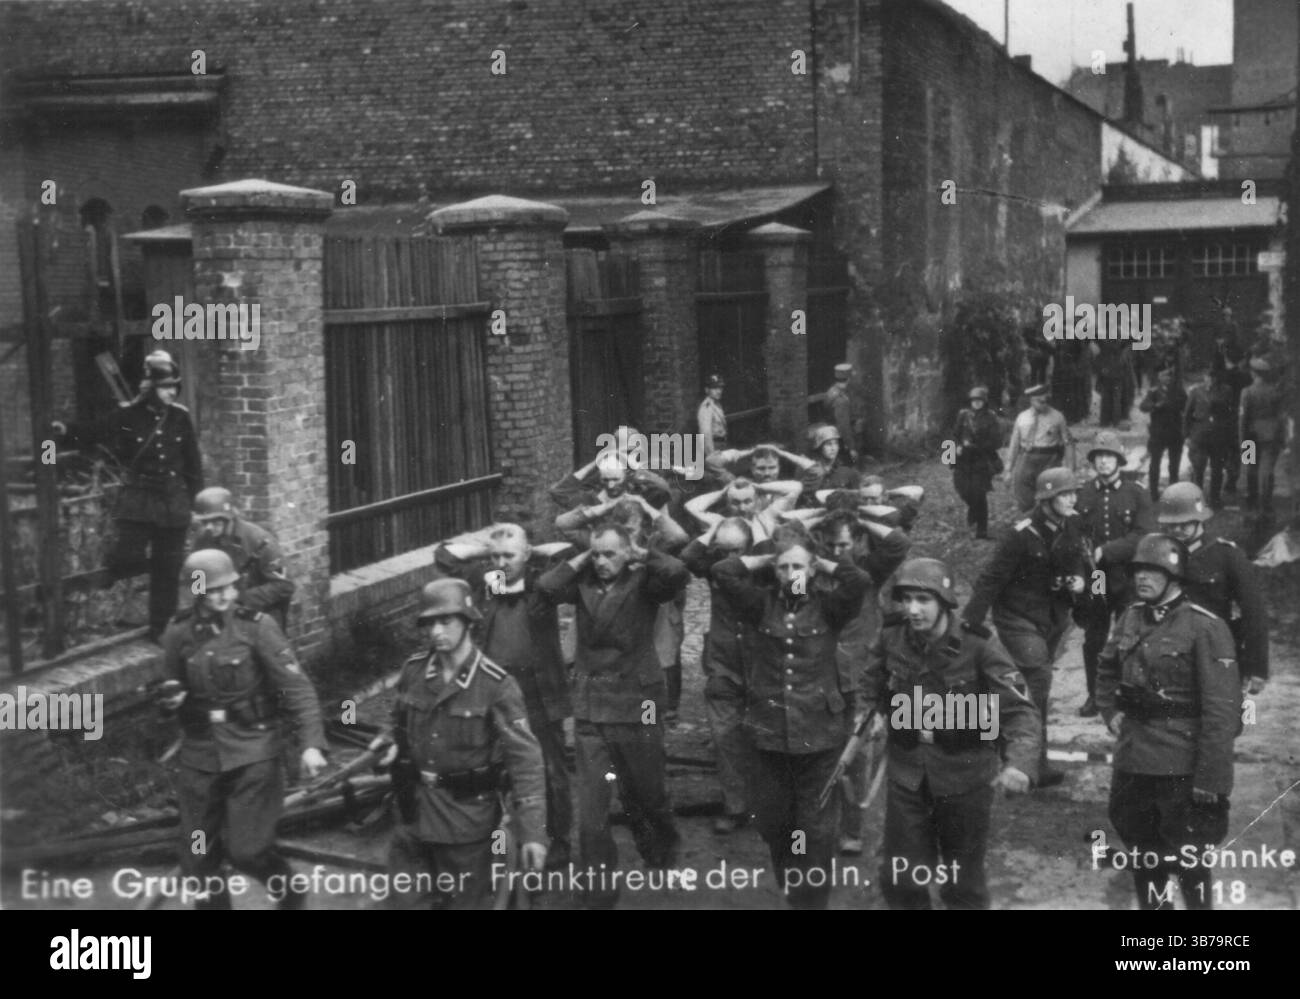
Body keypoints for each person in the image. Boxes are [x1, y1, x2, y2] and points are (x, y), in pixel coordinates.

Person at [862, 558, 1040, 909]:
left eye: (923, 600)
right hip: (908, 774)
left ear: (944, 602)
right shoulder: (891, 635)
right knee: (900, 878)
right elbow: (870, 680)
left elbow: (1021, 710)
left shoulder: (980, 646)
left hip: (966, 778)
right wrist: (871, 714)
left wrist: (1019, 763)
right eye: (906, 599)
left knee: (963, 885)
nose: (912, 610)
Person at [157, 549, 326, 909]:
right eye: (216, 589)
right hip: (201, 758)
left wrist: (312, 744)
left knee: (247, 850)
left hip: (253, 753)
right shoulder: (177, 632)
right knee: (198, 856)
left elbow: (297, 688)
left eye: (231, 587)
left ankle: (290, 894)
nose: (226, 595)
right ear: (197, 589)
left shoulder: (256, 626)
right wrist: (169, 701)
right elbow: (169, 686)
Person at [711, 527, 869, 909]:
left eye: (799, 566)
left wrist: (816, 559)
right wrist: (768, 557)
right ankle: (790, 884)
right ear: (774, 571)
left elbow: (859, 579)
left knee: (814, 829)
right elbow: (723, 571)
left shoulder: (831, 607)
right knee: (776, 824)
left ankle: (810, 901)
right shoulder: (757, 605)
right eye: (784, 567)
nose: (791, 573)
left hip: (819, 733)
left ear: (812, 571)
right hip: (768, 733)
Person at [536, 524, 690, 908]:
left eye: (610, 554)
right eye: (596, 554)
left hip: (641, 701)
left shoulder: (645, 582)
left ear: (628, 553)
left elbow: (677, 574)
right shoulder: (582, 582)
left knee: (648, 792)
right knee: (591, 815)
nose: (602, 562)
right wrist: (579, 559)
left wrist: (645, 554)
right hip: (592, 707)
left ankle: (661, 847)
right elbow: (546, 588)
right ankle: (598, 893)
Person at [372, 578, 547, 909]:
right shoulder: (414, 671)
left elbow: (526, 762)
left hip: (465, 824)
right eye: (429, 623)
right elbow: (395, 720)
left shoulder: (496, 685)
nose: (436, 631)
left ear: (468, 621)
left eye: (446, 620)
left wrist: (534, 833)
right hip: (413, 814)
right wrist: (387, 741)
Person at [1096, 534, 1240, 910]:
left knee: (1190, 868)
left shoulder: (1205, 627)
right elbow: (1107, 666)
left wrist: (1211, 778)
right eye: (1138, 570)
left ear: (1174, 576)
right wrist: (1109, 712)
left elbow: (1222, 710)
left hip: (1181, 765)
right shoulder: (1129, 616)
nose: (1141, 578)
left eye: (1152, 571)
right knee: (1145, 861)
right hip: (1133, 761)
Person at [432, 523, 575, 868]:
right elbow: (445, 556)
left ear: (527, 555)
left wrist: (531, 551)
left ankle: (556, 840)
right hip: (494, 695)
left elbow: (569, 554)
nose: (501, 562)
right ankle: (500, 838)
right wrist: (488, 551)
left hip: (539, 693)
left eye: (509, 556)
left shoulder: (542, 587)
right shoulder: (491, 585)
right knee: (495, 766)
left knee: (548, 770)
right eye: (496, 557)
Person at [56, 350, 203, 640]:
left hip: (173, 503)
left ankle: (162, 631)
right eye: (164, 387)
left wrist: (197, 504)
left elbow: (193, 464)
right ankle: (112, 593)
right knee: (124, 557)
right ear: (149, 388)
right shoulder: (129, 416)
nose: (170, 392)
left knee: (168, 570)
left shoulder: (180, 418)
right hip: (139, 501)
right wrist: (62, 432)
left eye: (174, 386)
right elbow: (94, 432)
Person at [963, 468, 1092, 787]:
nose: (1071, 499)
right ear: (1046, 499)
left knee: (1028, 687)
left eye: (1073, 492)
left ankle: (1032, 759)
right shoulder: (1020, 533)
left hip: (1053, 619)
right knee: (1038, 682)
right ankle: (1026, 763)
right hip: (1017, 616)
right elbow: (991, 579)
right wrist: (968, 625)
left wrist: (1083, 582)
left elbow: (1083, 561)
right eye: (1064, 494)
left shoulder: (1074, 523)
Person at [814, 507, 909, 855]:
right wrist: (821, 519)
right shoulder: (813, 571)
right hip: (820, 676)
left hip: (861, 676)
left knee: (858, 756)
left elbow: (899, 542)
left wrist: (857, 514)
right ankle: (821, 826)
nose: (837, 552)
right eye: (830, 545)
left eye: (843, 544)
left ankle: (851, 830)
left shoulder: (869, 571)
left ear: (857, 542)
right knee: (819, 754)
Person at [680, 517, 759, 834]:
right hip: (723, 662)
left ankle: (765, 804)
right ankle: (735, 806)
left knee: (761, 736)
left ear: (750, 547)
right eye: (722, 550)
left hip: (760, 663)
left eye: (736, 549)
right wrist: (714, 531)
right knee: (725, 737)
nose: (729, 558)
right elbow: (687, 557)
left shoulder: (764, 568)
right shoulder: (713, 567)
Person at [1155, 483, 1268, 695]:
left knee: (1219, 719)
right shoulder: (1156, 554)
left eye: (1184, 524)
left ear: (1200, 520)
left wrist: (1257, 668)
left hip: (1215, 654)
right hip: (1169, 656)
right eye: (1171, 525)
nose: (1177, 530)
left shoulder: (1227, 556)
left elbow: (1255, 612)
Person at [1073, 431, 1154, 717]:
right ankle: (1095, 696)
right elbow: (1075, 533)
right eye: (1098, 457)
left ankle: (1125, 693)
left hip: (1127, 576)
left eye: (1109, 456)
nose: (1103, 462)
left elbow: (1144, 534)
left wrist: (1107, 550)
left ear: (1119, 460)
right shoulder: (1083, 493)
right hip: (1096, 579)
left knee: (1128, 637)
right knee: (1094, 637)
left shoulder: (1136, 492)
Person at [191, 486, 294, 629]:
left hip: (259, 615)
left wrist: (240, 597)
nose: (209, 527)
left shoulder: (259, 541)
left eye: (216, 522)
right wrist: (202, 600)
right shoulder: (203, 540)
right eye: (205, 522)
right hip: (219, 616)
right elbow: (198, 575)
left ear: (229, 519)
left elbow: (284, 586)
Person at [1004, 384, 1074, 513]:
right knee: (1022, 492)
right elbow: (1014, 444)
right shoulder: (1022, 418)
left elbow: (1068, 444)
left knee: (1050, 494)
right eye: (1040, 401)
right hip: (1027, 458)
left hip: (1049, 460)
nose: (1043, 404)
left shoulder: (1057, 417)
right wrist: (1008, 469)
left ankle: (1049, 523)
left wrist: (1070, 469)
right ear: (1031, 400)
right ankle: (1028, 521)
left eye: (1045, 401)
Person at [951, 386, 1003, 540]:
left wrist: (976, 446)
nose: (976, 403)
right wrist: (952, 454)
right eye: (974, 400)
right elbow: (954, 435)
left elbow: (997, 441)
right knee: (962, 488)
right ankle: (973, 509)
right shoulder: (963, 415)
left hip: (981, 460)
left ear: (984, 401)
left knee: (979, 494)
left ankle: (982, 530)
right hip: (963, 460)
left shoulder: (991, 417)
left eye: (979, 400)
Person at [685, 476, 802, 544]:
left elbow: (796, 487)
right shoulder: (720, 522)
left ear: (756, 501)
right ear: (727, 503)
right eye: (735, 503)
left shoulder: (767, 518)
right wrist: (722, 493)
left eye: (747, 501)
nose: (742, 508)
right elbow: (691, 506)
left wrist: (759, 487)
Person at [1239, 357, 1286, 517]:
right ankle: (1265, 503)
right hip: (1271, 436)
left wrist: (1242, 440)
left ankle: (1251, 500)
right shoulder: (1276, 391)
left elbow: (1243, 418)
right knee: (1267, 471)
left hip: (1250, 436)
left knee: (1250, 468)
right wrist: (1282, 437)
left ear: (1253, 373)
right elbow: (1281, 417)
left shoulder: (1247, 392)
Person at [1183, 366, 1235, 509]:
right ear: (1204, 378)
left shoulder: (1226, 391)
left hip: (1218, 436)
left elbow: (1230, 414)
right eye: (1208, 377)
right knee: (1199, 467)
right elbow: (1187, 415)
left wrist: (1229, 435)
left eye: (1213, 377)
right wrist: (1186, 435)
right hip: (1200, 435)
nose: (1210, 380)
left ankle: (1215, 499)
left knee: (1217, 469)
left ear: (1217, 378)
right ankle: (1197, 499)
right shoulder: (1196, 392)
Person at [1139, 366, 1187, 501]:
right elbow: (1143, 406)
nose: (1167, 379)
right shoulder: (1154, 392)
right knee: (1155, 463)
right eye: (1164, 376)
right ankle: (1154, 493)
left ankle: (1173, 492)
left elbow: (1187, 406)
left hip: (1175, 432)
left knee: (1174, 464)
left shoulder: (1178, 391)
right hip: (1158, 433)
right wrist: (1155, 406)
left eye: (1169, 376)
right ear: (1159, 377)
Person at [705, 442, 814, 489]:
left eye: (772, 468)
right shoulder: (741, 486)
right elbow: (711, 461)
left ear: (779, 468)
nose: (767, 473)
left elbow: (816, 470)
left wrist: (782, 453)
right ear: (752, 469)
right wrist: (749, 452)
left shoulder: (790, 488)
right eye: (761, 468)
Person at [802, 424, 861, 494]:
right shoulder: (810, 470)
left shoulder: (848, 472)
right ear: (819, 447)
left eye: (836, 443)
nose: (833, 448)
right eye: (828, 444)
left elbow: (858, 494)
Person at [823, 363, 861, 464]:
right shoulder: (841, 400)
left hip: (831, 433)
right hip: (839, 439)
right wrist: (851, 448)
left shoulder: (831, 391)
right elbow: (843, 426)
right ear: (848, 379)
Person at [697, 374, 728, 457]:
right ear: (707, 390)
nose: (719, 391)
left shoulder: (717, 405)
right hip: (713, 446)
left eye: (720, 388)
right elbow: (706, 433)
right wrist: (711, 454)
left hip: (721, 445)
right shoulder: (707, 407)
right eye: (714, 388)